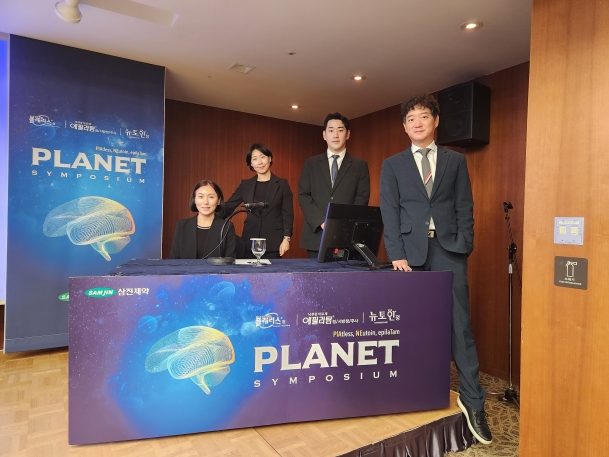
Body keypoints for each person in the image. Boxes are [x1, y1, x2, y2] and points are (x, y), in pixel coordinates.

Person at [379, 94, 492, 445]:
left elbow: (464, 206)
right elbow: (389, 211)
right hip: (408, 256)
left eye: (424, 116)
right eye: (411, 118)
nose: (417, 123)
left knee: (460, 325)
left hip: (448, 250)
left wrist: (464, 243)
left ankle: (473, 401)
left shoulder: (455, 161)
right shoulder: (392, 165)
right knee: (413, 324)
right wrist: (396, 253)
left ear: (436, 121)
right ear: (404, 126)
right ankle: (415, 391)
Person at [298, 112, 370, 258]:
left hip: (346, 235)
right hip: (316, 235)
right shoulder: (311, 164)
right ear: (324, 135)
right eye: (331, 130)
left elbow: (362, 198)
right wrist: (322, 222)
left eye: (340, 130)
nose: (335, 135)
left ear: (347, 134)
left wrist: (343, 224)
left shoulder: (360, 165)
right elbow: (304, 195)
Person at [221, 143, 294, 259]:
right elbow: (229, 207)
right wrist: (209, 215)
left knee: (273, 271)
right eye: (254, 159)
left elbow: (287, 213)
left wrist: (286, 238)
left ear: (269, 159)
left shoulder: (282, 184)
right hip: (249, 240)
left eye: (262, 157)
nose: (259, 162)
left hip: (273, 241)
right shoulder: (245, 185)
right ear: (251, 163)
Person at [169, 180, 236, 259]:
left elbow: (229, 260)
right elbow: (174, 260)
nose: (205, 202)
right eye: (201, 196)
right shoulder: (182, 225)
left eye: (211, 197)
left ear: (218, 201)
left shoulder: (226, 227)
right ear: (194, 199)